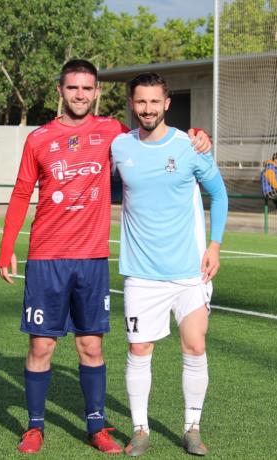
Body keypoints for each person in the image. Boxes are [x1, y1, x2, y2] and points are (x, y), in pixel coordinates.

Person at [0, 60, 211, 455]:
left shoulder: (113, 133)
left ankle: (97, 425)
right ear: (60, 91)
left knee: (91, 346)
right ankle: (34, 427)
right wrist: (6, 247)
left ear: (97, 93)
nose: (80, 94)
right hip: (46, 258)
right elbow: (21, 192)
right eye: (73, 88)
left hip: (93, 258)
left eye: (87, 88)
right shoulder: (39, 139)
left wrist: (198, 135)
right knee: (42, 347)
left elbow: (156, 134)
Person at [110, 72, 228, 457]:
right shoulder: (119, 146)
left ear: (166, 103)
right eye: (140, 102)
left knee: (195, 346)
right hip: (141, 274)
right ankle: (140, 429)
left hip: (189, 272)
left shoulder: (191, 146)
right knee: (139, 350)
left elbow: (219, 194)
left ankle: (192, 426)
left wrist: (215, 245)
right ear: (132, 103)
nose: (147, 109)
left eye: (154, 102)